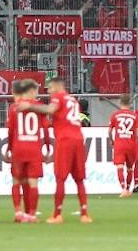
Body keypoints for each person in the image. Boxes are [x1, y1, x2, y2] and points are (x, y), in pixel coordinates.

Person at [20, 77, 91, 223]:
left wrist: (30, 107)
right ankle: (85, 213)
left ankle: (57, 214)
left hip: (65, 140)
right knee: (79, 179)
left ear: (58, 87)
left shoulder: (58, 97)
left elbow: (50, 109)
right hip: (78, 138)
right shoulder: (73, 100)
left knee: (60, 178)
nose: (49, 92)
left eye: (50, 88)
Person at [4, 80, 50, 223]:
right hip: (34, 148)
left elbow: (11, 131)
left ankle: (18, 212)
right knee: (33, 183)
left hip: (19, 148)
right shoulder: (39, 107)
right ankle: (31, 214)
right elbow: (46, 130)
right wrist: (47, 147)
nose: (37, 94)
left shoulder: (14, 107)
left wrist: (9, 149)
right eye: (36, 91)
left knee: (16, 181)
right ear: (31, 91)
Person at [108, 94, 138, 198]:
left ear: (120, 103)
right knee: (130, 168)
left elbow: (109, 131)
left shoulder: (115, 115)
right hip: (131, 145)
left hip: (119, 144)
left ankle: (123, 189)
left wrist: (112, 140)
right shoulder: (134, 115)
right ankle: (129, 189)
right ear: (129, 103)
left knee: (120, 166)